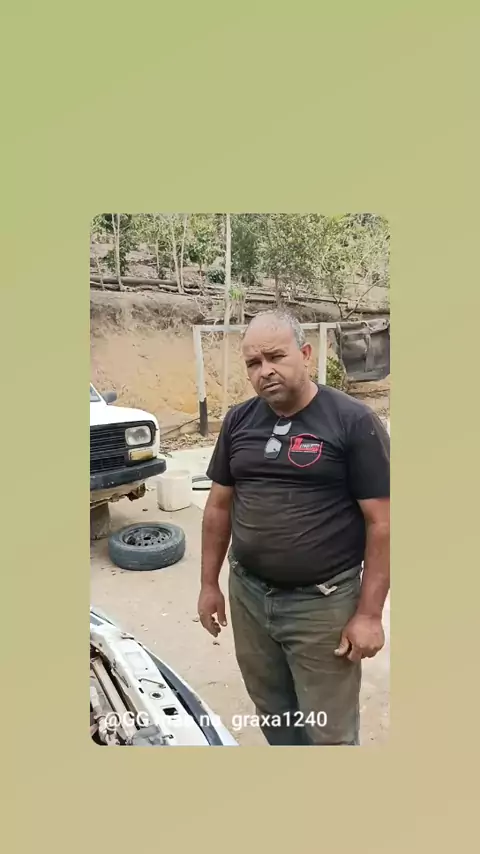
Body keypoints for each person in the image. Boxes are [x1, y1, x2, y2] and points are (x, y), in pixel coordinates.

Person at [197, 310, 390, 746]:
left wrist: (369, 614)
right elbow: (218, 508)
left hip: (321, 606)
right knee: (274, 713)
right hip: (249, 597)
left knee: (329, 732)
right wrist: (209, 584)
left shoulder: (352, 422)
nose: (264, 371)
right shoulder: (239, 421)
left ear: (305, 354)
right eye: (253, 363)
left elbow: (383, 523)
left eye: (275, 357)